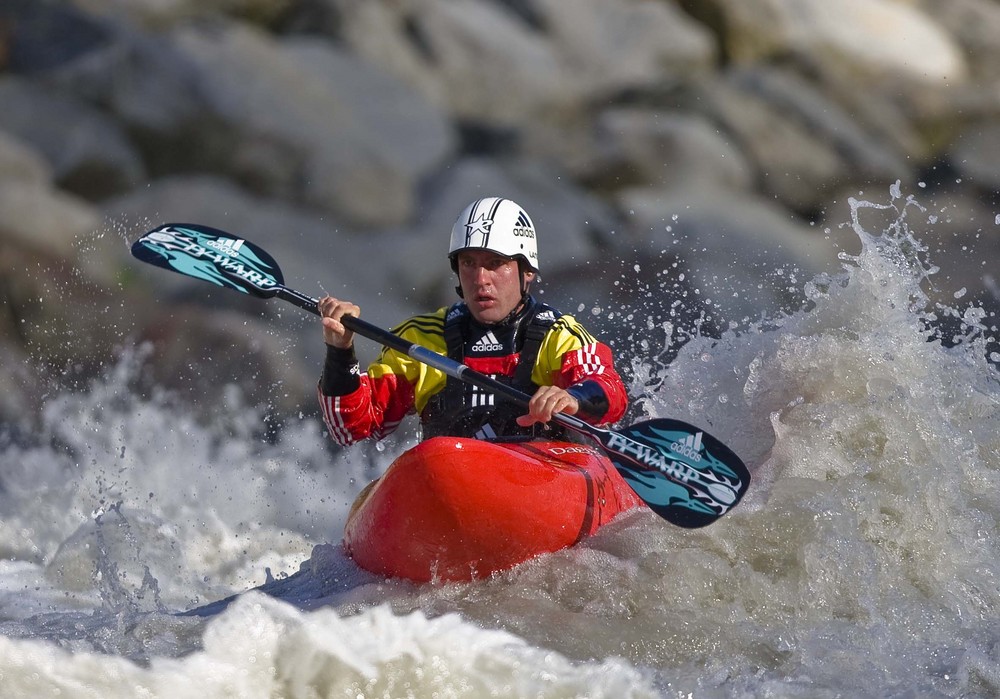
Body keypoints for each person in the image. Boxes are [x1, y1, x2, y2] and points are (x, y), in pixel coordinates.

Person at [317, 196, 629, 445]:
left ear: (527, 272)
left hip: (543, 479)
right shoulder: (422, 338)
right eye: (469, 263)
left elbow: (610, 390)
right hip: (453, 483)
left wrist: (572, 397)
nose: (480, 279)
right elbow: (350, 428)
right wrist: (341, 351)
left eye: (496, 264)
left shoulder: (559, 335)